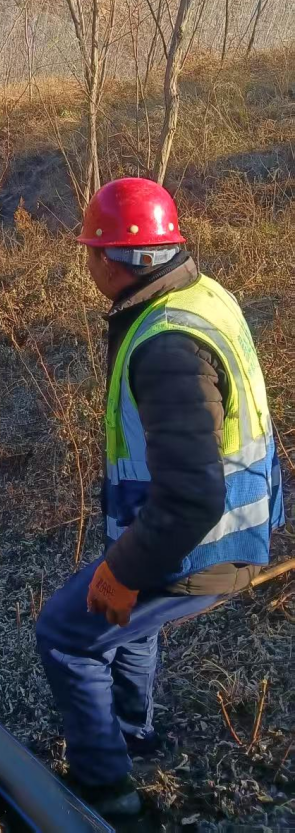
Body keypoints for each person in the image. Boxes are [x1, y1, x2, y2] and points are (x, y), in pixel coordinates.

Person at [35, 177, 284, 822]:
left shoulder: (166, 345)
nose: (86, 264)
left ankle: (106, 791)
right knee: (130, 627)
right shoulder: (199, 295)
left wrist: (120, 570)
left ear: (115, 260)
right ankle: (135, 731)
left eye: (90, 251)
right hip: (222, 529)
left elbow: (191, 498)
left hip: (202, 545)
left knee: (66, 632)